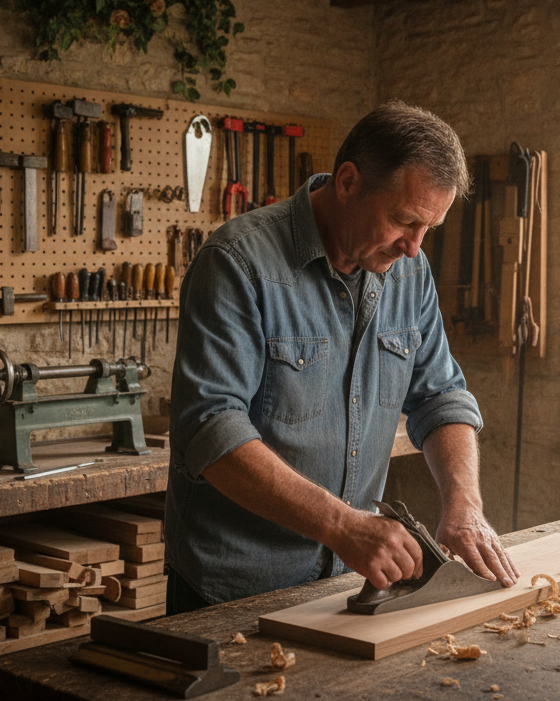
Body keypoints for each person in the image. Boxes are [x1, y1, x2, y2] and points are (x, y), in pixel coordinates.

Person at [165, 100, 519, 611]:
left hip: (341, 586)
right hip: (235, 590)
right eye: (404, 221)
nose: (415, 248)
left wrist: (464, 504)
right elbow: (210, 429)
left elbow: (440, 396)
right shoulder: (237, 264)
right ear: (348, 182)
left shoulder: (408, 273)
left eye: (429, 229)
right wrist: (341, 525)